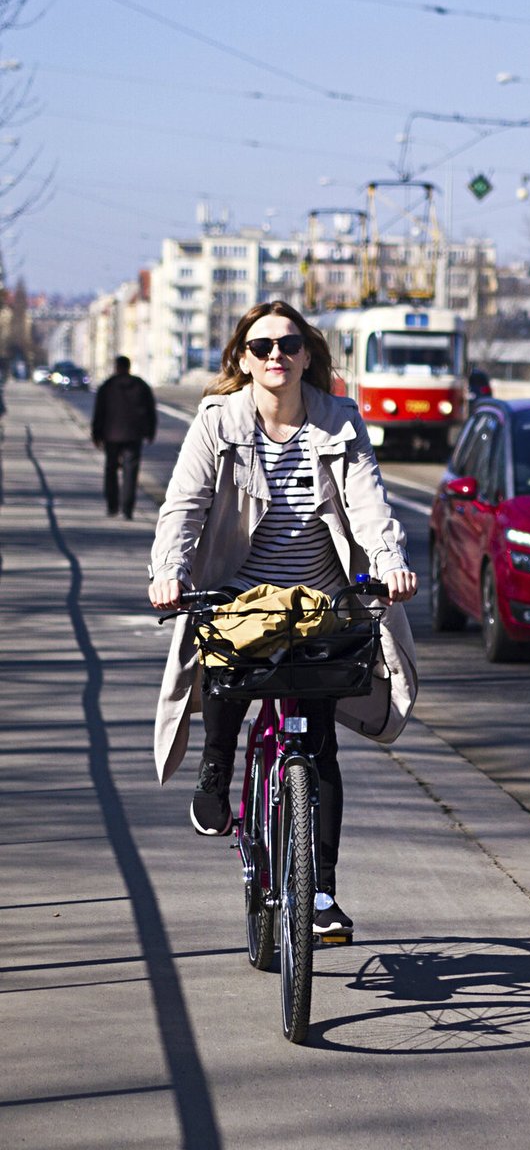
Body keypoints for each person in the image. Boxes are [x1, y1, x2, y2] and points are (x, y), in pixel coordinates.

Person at [148, 301, 417, 937]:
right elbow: (182, 506)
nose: (277, 355)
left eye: (289, 345)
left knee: (318, 743)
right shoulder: (218, 421)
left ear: (307, 355)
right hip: (239, 596)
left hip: (319, 600)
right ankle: (218, 762)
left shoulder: (339, 421)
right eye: (262, 346)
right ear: (242, 358)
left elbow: (371, 505)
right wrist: (169, 571)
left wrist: (390, 562)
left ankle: (320, 895)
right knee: (226, 673)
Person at [92, 355, 157, 519]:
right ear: (129, 367)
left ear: (116, 367)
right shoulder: (140, 385)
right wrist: (150, 432)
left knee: (111, 470)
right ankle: (128, 509)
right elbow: (151, 410)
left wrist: (96, 434)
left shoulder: (108, 386)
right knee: (131, 472)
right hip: (134, 435)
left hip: (111, 435)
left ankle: (112, 506)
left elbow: (99, 411)